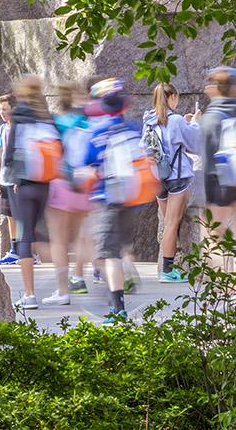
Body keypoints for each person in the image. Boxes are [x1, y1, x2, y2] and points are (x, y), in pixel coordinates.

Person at [80, 86, 144, 319]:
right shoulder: (133, 128)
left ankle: (118, 309)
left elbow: (87, 167)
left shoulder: (98, 133)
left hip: (107, 199)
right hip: (132, 198)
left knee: (107, 255)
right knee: (117, 250)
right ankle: (121, 281)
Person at [197, 67, 236, 273]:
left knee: (212, 236)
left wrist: (204, 197)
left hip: (218, 184)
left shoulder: (210, 118)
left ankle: (222, 287)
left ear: (213, 88)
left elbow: (207, 161)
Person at [5, 75, 55, 310]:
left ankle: (30, 294)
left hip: (25, 184)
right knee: (45, 235)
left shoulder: (19, 117)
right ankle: (62, 286)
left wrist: (15, 176)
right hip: (46, 183)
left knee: (25, 237)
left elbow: (9, 155)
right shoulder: (47, 118)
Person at [44, 82, 97, 303]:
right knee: (80, 236)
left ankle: (63, 290)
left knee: (58, 240)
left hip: (62, 183)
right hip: (84, 184)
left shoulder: (57, 122)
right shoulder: (87, 121)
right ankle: (80, 276)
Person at [144, 84, 199, 283]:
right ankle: (168, 270)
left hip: (158, 178)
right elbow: (194, 143)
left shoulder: (149, 121)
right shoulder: (176, 120)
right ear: (173, 97)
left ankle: (166, 266)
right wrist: (194, 123)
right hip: (177, 176)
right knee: (171, 223)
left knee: (168, 221)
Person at [0, 95, 19, 264]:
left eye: (5, 109)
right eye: (0, 110)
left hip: (17, 177)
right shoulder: (3, 128)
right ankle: (14, 249)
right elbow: (1, 153)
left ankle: (29, 251)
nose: (2, 113)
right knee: (9, 215)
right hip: (5, 178)